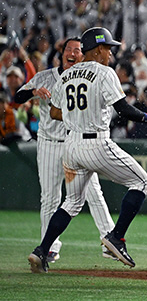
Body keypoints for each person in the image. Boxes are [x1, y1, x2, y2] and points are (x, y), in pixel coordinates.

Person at [27, 27, 147, 273]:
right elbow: (124, 110)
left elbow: (55, 113)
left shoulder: (66, 75)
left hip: (71, 146)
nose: (110, 53)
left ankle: (42, 250)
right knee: (142, 182)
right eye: (108, 48)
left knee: (72, 203)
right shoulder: (104, 72)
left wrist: (77, 115)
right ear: (97, 50)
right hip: (96, 142)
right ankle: (116, 237)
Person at [15, 38, 114, 264]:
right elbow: (17, 97)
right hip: (49, 143)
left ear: (82, 55)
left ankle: (110, 239)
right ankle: (48, 247)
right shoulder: (45, 77)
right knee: (50, 197)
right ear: (61, 54)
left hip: (75, 143)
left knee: (93, 192)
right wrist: (32, 91)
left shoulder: (87, 76)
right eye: (68, 49)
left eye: (77, 50)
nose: (72, 53)